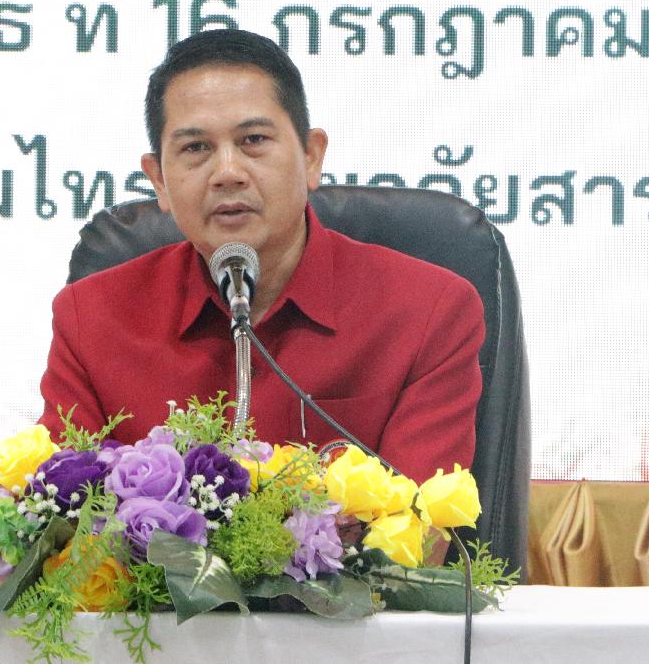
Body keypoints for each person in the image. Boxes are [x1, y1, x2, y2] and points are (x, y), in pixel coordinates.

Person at [39, 29, 484, 483]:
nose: (227, 173)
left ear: (311, 156)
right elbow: (54, 509)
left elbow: (419, 519)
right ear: (159, 180)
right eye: (196, 148)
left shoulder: (428, 311)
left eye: (253, 139)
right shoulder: (91, 318)